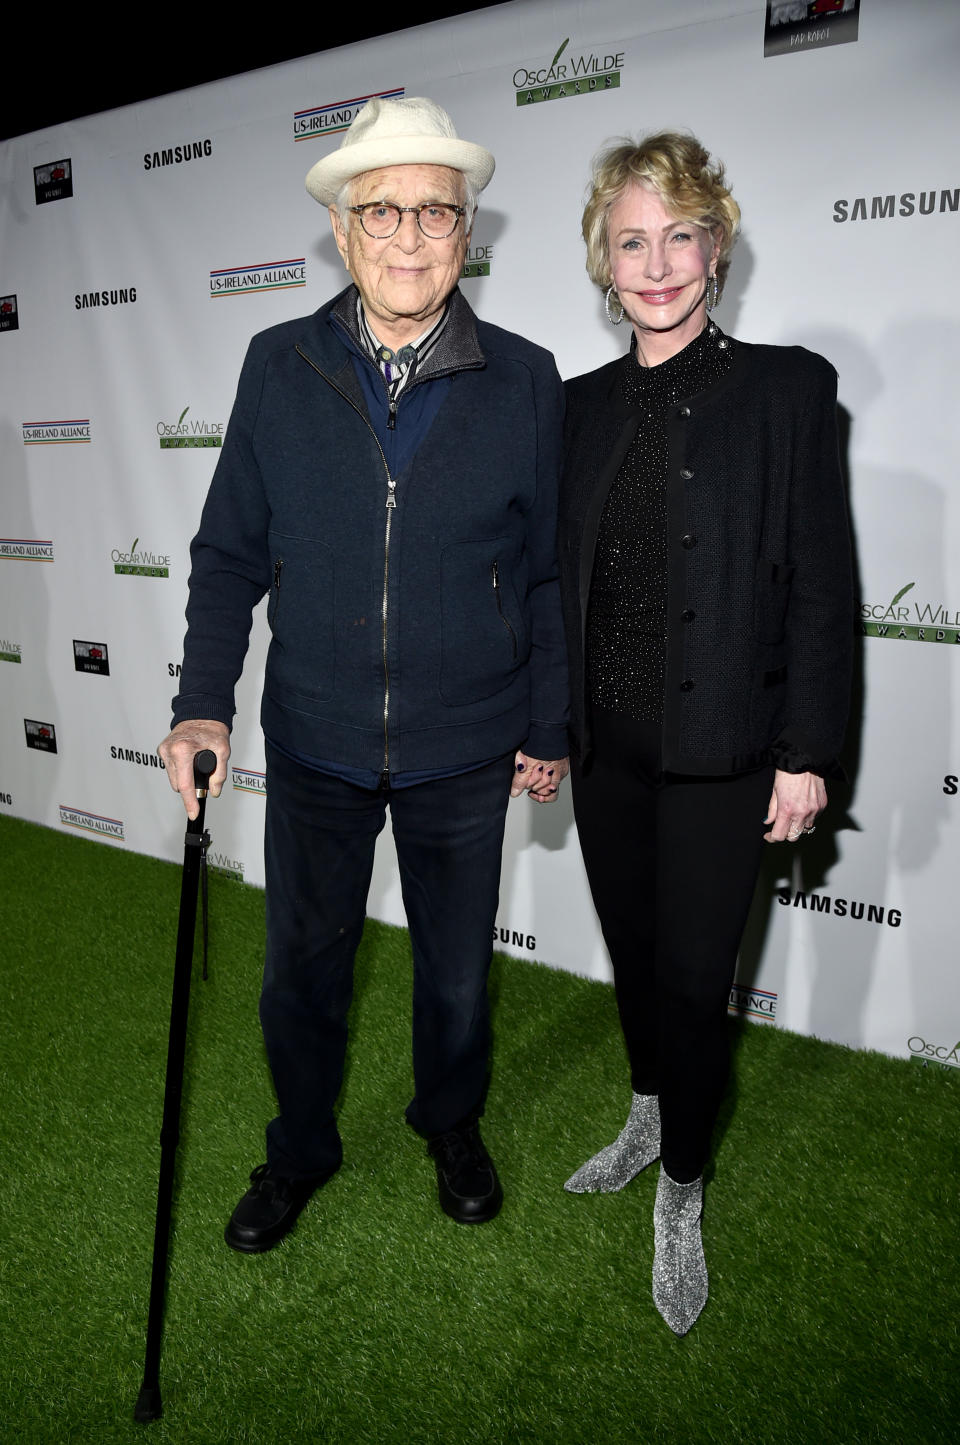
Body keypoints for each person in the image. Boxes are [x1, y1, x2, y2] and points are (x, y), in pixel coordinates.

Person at [158, 97, 569, 1253]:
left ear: (466, 230)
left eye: (432, 210)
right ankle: (299, 1147)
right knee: (300, 971)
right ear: (341, 232)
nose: (406, 234)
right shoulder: (274, 364)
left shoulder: (527, 379)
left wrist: (548, 720)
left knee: (451, 975)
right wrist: (201, 699)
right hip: (319, 736)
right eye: (378, 208)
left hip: (467, 739)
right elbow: (229, 550)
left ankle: (450, 1121)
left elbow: (543, 575)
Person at [557, 132, 853, 1334]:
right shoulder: (573, 409)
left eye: (681, 234)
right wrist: (546, 726)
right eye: (634, 240)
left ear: (716, 247)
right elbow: (551, 584)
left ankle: (681, 1181)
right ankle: (644, 1107)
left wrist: (809, 750)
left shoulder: (787, 389)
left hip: (727, 748)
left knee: (693, 974)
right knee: (636, 954)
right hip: (607, 745)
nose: (659, 262)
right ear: (605, 262)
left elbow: (825, 588)